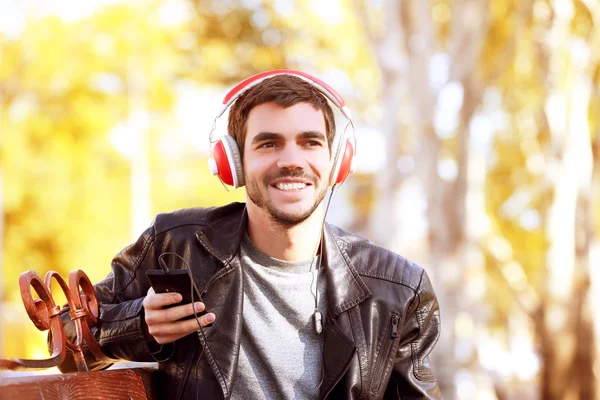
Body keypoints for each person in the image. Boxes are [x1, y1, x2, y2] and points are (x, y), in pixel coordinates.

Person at [57, 70, 443, 399]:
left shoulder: (399, 290)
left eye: (310, 142)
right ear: (234, 163)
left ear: (336, 160)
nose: (291, 160)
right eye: (268, 143)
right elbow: (65, 341)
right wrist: (137, 325)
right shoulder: (175, 245)